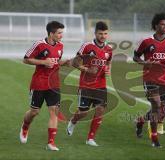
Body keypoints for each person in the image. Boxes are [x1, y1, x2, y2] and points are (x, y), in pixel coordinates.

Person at [19, 21, 69, 151]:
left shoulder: (60, 46)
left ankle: (50, 143)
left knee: (54, 111)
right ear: (51, 33)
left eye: (61, 33)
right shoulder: (39, 44)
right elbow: (25, 59)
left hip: (54, 83)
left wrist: (68, 62)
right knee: (35, 111)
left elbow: (56, 62)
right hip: (39, 83)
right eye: (59, 33)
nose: (61, 35)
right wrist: (43, 62)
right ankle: (25, 126)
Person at [66, 21, 112, 147]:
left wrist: (108, 69)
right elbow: (74, 62)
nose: (103, 36)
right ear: (95, 33)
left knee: (100, 111)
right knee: (83, 113)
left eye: (105, 33)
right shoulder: (87, 46)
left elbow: (108, 62)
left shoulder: (109, 48)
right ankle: (73, 121)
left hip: (101, 86)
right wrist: (87, 70)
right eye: (100, 33)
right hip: (86, 85)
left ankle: (90, 138)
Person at [134, 13, 165, 147]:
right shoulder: (146, 41)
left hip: (164, 79)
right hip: (149, 78)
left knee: (158, 108)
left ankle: (140, 121)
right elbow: (136, 57)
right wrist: (145, 62)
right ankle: (154, 138)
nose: (164, 27)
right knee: (157, 105)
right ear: (156, 25)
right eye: (162, 24)